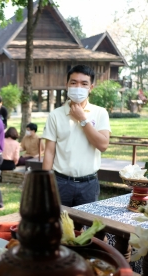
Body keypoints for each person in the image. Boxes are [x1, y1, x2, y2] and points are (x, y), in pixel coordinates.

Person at [42, 64, 111, 207]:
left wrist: (82, 119)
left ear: (91, 87)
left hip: (89, 184)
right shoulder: (55, 115)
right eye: (74, 83)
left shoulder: (100, 113)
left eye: (84, 83)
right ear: (66, 85)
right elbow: (49, 152)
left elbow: (103, 145)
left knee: (87, 228)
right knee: (58, 225)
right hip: (61, 183)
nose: (78, 87)